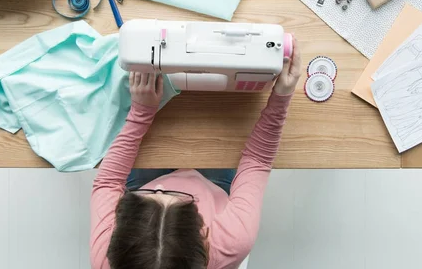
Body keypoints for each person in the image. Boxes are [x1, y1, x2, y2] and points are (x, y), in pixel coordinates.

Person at [90, 36, 302, 269]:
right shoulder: (232, 241)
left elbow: (108, 182)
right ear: (204, 238)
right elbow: (257, 159)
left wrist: (141, 112)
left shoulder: (105, 257)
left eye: (151, 195)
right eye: (180, 199)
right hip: (212, 190)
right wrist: (283, 94)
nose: (161, 187)